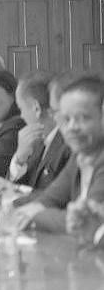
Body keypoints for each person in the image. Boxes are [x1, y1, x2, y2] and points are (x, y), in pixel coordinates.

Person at [13, 73, 104, 233]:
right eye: (66, 119)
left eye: (83, 118)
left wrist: (35, 215)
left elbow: (88, 224)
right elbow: (48, 199)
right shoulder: (80, 156)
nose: (71, 127)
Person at [8, 72, 72, 191]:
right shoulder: (35, 142)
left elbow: (57, 196)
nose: (21, 116)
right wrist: (19, 159)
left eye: (21, 109)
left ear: (36, 108)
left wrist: (9, 189)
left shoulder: (67, 144)